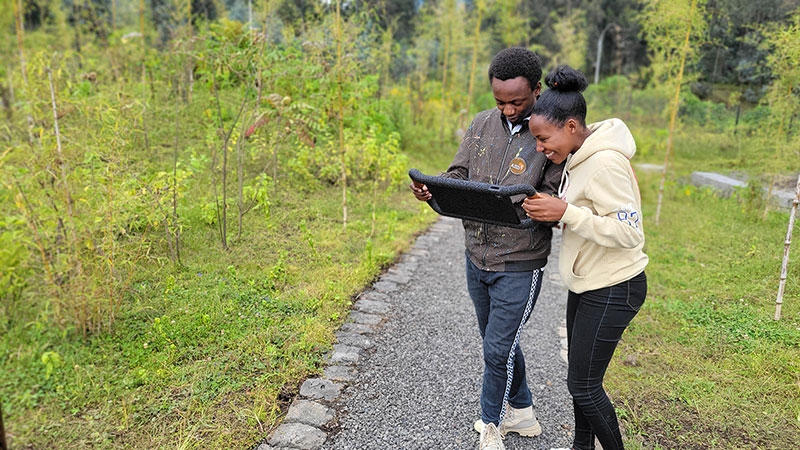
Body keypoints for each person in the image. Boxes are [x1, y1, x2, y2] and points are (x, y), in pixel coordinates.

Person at [410, 47, 565, 450]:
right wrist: (434, 187)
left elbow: (551, 195)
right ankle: (525, 410)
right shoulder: (481, 124)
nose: (509, 110)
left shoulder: (548, 134)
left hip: (520, 260)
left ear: (536, 89)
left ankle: (490, 425)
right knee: (498, 341)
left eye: (517, 101)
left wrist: (528, 203)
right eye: (500, 101)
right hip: (475, 254)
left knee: (498, 347)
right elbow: (459, 173)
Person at [521, 65, 648, 450]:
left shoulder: (605, 162)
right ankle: (581, 446)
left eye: (544, 139)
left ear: (572, 126)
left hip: (615, 286)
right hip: (590, 284)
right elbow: (592, 215)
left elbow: (630, 233)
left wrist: (567, 213)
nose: (540, 148)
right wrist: (563, 215)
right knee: (580, 381)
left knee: (584, 384)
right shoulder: (579, 156)